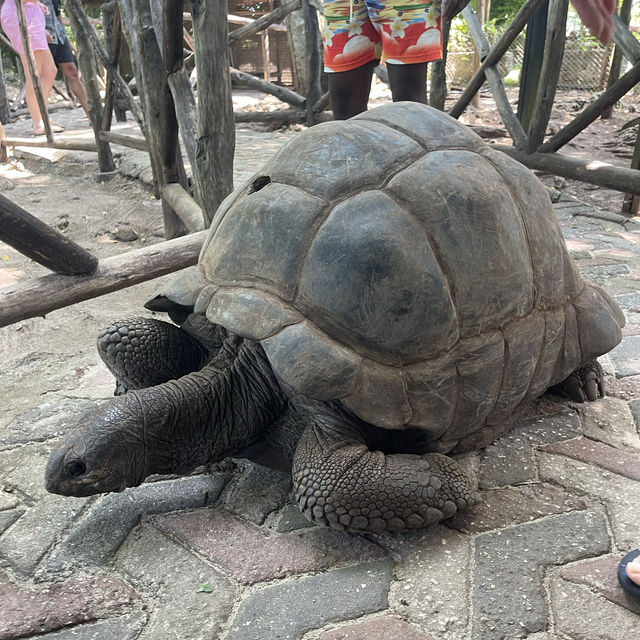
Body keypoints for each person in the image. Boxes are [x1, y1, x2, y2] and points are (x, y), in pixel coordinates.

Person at [322, 0, 471, 119]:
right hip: (340, 5)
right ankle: (354, 158)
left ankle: (418, 157)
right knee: (344, 107)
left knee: (408, 104)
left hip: (406, 4)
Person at [0, 0, 62, 135]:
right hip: (21, 16)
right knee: (35, 74)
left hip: (30, 12)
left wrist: (37, 4)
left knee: (50, 71)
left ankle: (42, 115)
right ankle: (38, 123)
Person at [41, 0, 89, 117]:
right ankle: (41, 118)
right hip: (42, 33)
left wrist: (65, 35)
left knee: (72, 71)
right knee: (44, 76)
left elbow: (58, 13)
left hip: (58, 33)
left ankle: (91, 113)